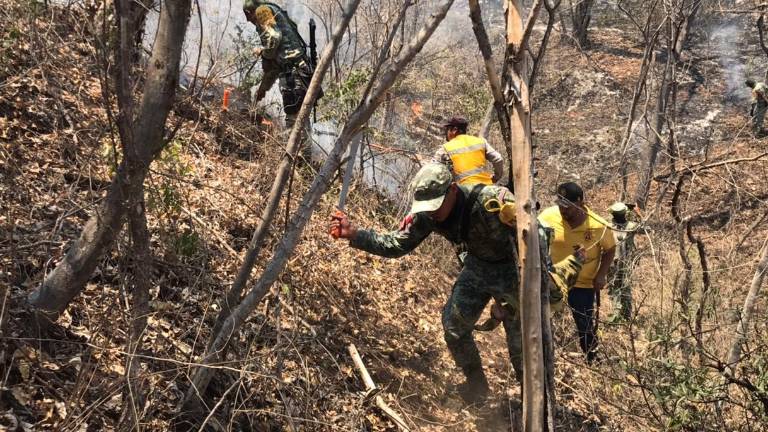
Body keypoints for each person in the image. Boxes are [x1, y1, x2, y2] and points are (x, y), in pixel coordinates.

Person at [329, 163, 583, 403]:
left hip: (514, 273)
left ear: (452, 189)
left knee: (522, 348)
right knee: (453, 326)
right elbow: (398, 244)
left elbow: (538, 235)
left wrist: (527, 284)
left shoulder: (491, 201)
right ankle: (476, 386)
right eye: (428, 207)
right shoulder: (428, 215)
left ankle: (534, 405)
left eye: (437, 205)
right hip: (477, 268)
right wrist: (356, 234)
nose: (433, 212)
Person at [539, 182, 616, 363]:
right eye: (560, 204)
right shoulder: (547, 216)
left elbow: (610, 249)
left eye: (567, 206)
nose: (562, 210)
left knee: (585, 325)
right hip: (553, 280)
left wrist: (601, 274)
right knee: (543, 321)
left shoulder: (598, 225)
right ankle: (547, 358)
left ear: (580, 202)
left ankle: (591, 359)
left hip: (583, 284)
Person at [243, 0, 319, 132]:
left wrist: (263, 51)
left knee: (294, 121)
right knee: (300, 119)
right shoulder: (275, 11)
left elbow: (274, 38)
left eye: (248, 17)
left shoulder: (262, 11)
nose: (249, 21)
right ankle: (302, 152)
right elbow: (274, 67)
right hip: (300, 71)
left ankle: (296, 152)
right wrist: (262, 90)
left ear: (250, 12)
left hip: (293, 75)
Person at [433, 116, 505, 185]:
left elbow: (432, 169)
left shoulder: (445, 148)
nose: (446, 133)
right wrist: (496, 177)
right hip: (485, 186)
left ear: (454, 130)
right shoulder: (481, 141)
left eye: (447, 130)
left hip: (463, 190)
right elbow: (498, 158)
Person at [607, 202, 638, 323]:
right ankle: (617, 315)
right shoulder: (608, 226)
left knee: (625, 288)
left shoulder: (631, 226)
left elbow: (646, 226)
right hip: (612, 263)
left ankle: (626, 316)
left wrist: (634, 210)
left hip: (626, 262)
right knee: (615, 288)